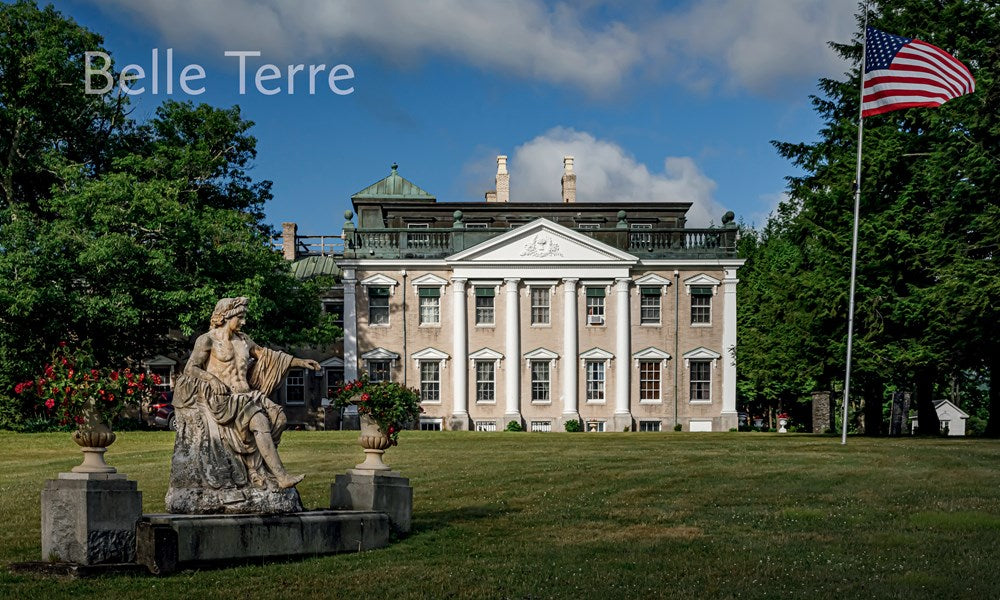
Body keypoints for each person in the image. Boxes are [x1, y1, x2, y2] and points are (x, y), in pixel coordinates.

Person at [170, 297, 319, 507]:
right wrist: (211, 379)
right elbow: (190, 368)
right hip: (223, 401)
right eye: (240, 317)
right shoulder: (207, 340)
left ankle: (255, 467)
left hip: (247, 395)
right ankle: (281, 476)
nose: (243, 322)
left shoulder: (244, 340)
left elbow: (269, 357)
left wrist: (299, 362)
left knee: (279, 418)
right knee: (259, 421)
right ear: (226, 316)